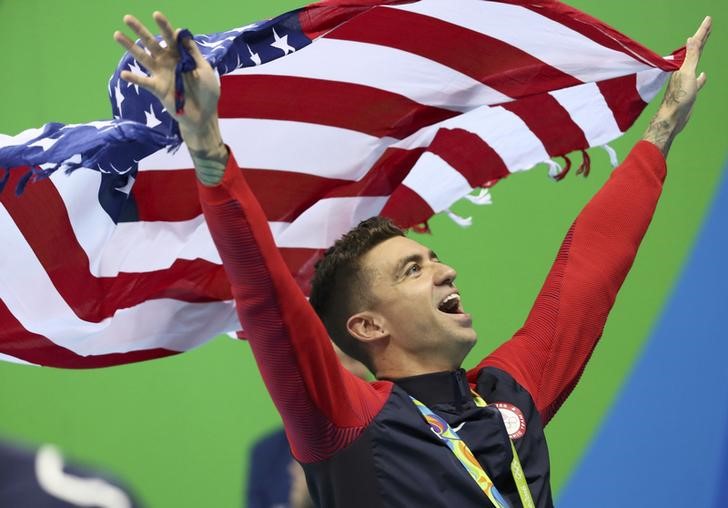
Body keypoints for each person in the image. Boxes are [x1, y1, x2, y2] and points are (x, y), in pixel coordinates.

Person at [113, 12, 710, 507]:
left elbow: (586, 276)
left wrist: (660, 135)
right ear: (368, 326)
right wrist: (207, 144)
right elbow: (265, 294)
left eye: (432, 259)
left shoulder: (508, 395)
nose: (445, 271)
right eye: (413, 270)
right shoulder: (344, 421)